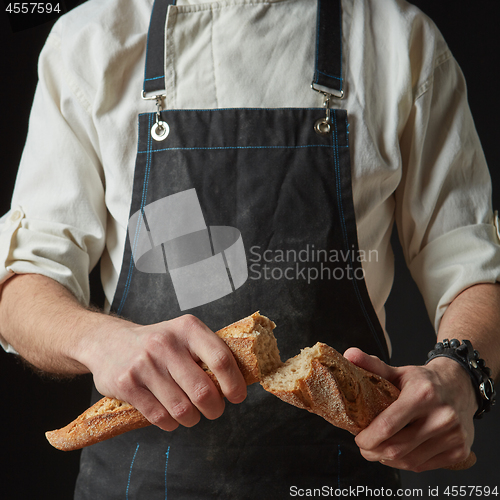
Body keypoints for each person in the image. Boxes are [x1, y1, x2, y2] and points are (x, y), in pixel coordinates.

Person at [0, 0, 499, 497]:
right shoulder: (89, 40)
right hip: (136, 484)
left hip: (341, 478)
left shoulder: (398, 40)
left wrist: (459, 375)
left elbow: (475, 267)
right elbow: (22, 284)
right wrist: (98, 339)